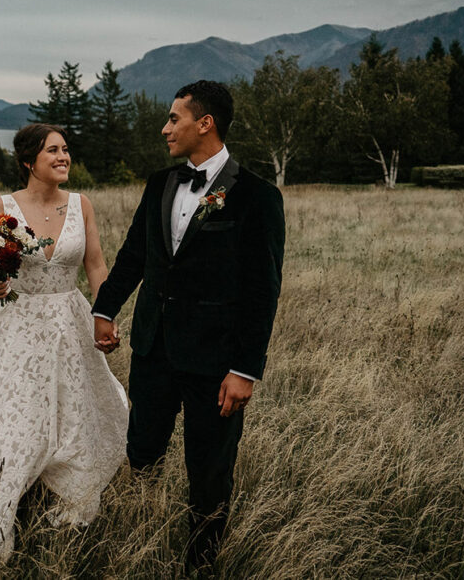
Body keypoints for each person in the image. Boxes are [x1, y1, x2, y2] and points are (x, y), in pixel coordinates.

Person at [91, 80, 285, 571]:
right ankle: (142, 539)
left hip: (216, 361)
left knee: (209, 471)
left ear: (206, 123)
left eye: (174, 118)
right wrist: (104, 309)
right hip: (154, 348)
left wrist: (245, 368)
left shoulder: (258, 196)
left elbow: (263, 292)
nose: (165, 128)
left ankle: (200, 562)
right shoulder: (160, 184)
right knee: (142, 451)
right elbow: (136, 253)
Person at [0, 123, 129, 562]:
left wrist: (104, 314)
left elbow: (95, 264)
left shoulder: (82, 205)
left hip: (70, 322)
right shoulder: (3, 206)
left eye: (66, 150)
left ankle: (68, 502)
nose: (64, 157)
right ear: (28, 161)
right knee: (14, 418)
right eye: (53, 151)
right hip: (16, 324)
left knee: (72, 411)